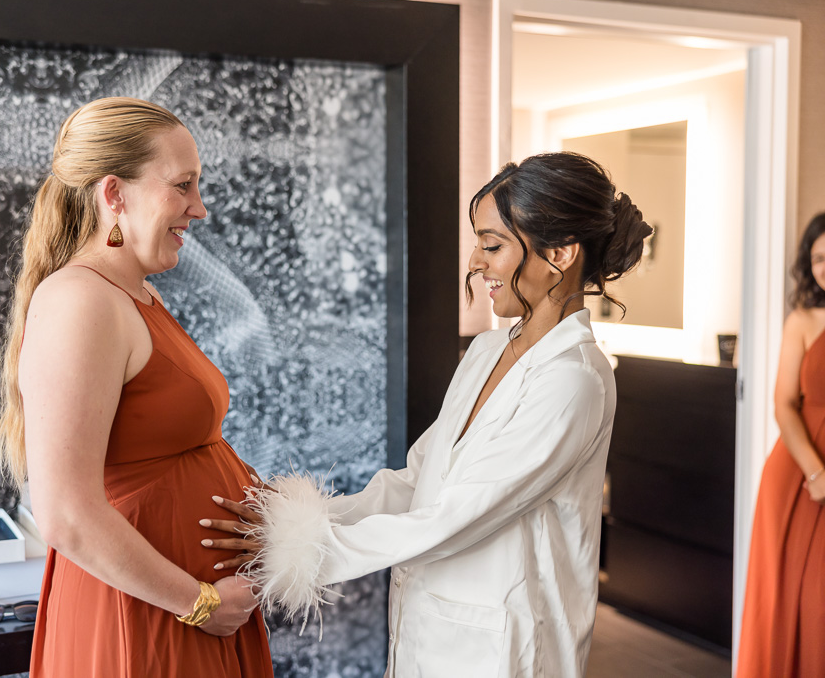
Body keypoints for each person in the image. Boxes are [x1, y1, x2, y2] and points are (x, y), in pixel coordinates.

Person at [203, 152, 652, 677]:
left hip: (504, 648)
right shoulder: (487, 351)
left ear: (560, 252)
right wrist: (303, 521)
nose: (474, 263)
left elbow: (457, 516)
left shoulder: (574, 378)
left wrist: (305, 552)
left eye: (492, 244)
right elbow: (419, 481)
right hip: (429, 628)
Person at [0, 97, 273, 677]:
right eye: (183, 186)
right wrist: (200, 603)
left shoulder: (136, 295)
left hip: (182, 612)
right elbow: (65, 513)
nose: (198, 209)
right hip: (146, 618)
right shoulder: (80, 302)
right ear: (115, 195)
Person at [735, 215, 825, 677]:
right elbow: (784, 405)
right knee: (796, 595)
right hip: (801, 473)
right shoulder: (805, 320)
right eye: (817, 259)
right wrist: (816, 473)